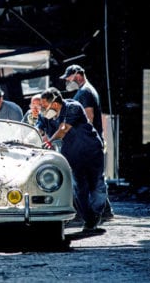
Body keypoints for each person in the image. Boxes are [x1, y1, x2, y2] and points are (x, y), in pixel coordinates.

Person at [37, 87, 107, 233]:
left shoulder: (73, 107)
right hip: (71, 155)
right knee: (79, 188)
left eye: (44, 105)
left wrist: (49, 141)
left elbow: (63, 128)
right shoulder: (44, 115)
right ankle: (89, 219)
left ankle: (96, 213)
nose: (42, 108)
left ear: (55, 104)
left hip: (91, 151)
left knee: (97, 184)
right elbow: (39, 127)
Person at [60, 64, 114, 220]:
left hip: (86, 143)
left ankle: (98, 212)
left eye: (68, 78)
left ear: (77, 75)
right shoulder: (87, 90)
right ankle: (104, 211)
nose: (67, 81)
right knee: (93, 177)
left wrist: (79, 140)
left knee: (87, 178)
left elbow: (88, 118)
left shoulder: (84, 93)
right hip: (90, 142)